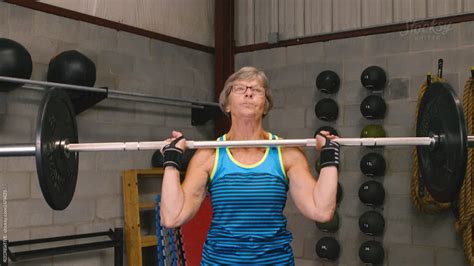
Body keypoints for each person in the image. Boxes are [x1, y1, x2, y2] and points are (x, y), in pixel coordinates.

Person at [160, 66, 339, 265]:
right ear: (226, 104)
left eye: (256, 89)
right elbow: (172, 217)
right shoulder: (209, 156)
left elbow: (321, 211)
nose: (248, 92)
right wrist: (171, 162)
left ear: (266, 104)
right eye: (240, 89)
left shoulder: (287, 154)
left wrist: (330, 157)